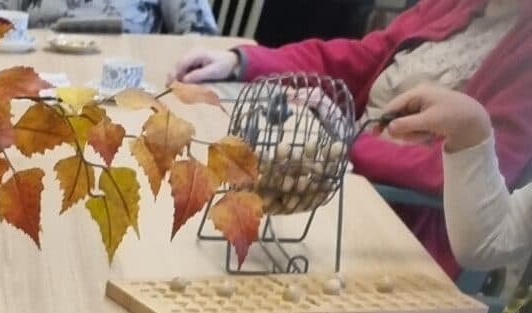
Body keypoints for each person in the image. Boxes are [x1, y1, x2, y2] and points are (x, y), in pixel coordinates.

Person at [171, 0, 532, 275]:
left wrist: (344, 140)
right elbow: (360, 57)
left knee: (198, 252)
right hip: (334, 177)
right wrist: (243, 62)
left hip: (397, 232)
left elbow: (473, 175)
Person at [379, 82, 532, 270]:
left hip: (425, 235)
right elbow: (493, 240)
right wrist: (470, 132)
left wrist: (361, 146)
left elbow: (432, 170)